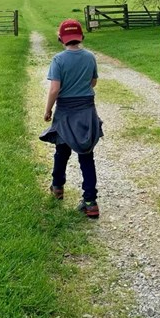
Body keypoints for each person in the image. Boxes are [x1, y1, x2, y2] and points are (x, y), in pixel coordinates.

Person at [40, 19, 103, 219]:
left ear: (61, 38)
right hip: (86, 110)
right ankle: (90, 202)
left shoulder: (58, 60)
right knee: (86, 155)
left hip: (65, 111)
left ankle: (57, 187)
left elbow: (55, 89)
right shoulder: (90, 57)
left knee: (62, 151)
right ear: (81, 37)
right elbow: (93, 82)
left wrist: (48, 110)